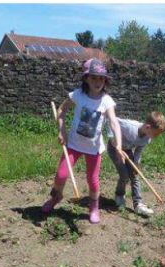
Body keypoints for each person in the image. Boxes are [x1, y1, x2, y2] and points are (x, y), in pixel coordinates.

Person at [41, 58, 124, 224]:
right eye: (93, 77)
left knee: (92, 181)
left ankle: (94, 207)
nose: (97, 81)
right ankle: (55, 198)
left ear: (105, 80)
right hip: (73, 145)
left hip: (93, 149)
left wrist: (119, 144)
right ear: (86, 78)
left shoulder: (107, 101)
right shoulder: (78, 95)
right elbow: (61, 110)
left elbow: (114, 122)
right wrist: (62, 131)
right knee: (61, 175)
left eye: (101, 78)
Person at [107, 112, 165, 216]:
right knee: (124, 175)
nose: (156, 137)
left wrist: (136, 164)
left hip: (128, 150)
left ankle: (138, 204)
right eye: (156, 133)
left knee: (135, 175)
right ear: (148, 127)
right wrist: (114, 141)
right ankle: (119, 195)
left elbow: (138, 150)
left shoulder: (147, 138)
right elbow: (112, 121)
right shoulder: (129, 127)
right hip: (114, 149)